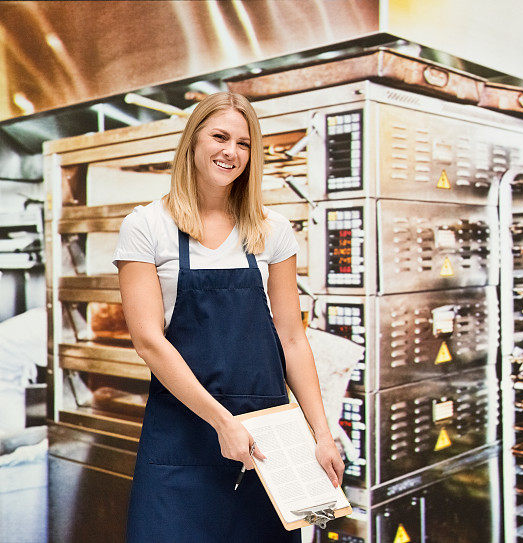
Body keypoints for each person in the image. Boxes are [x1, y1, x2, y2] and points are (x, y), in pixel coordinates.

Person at [113, 92, 343, 542]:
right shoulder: (147, 226)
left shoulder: (271, 230)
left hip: (267, 444)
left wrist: (322, 434)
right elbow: (149, 341)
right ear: (193, 142)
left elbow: (291, 338)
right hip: (182, 434)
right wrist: (223, 422)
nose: (230, 152)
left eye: (244, 143)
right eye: (220, 136)